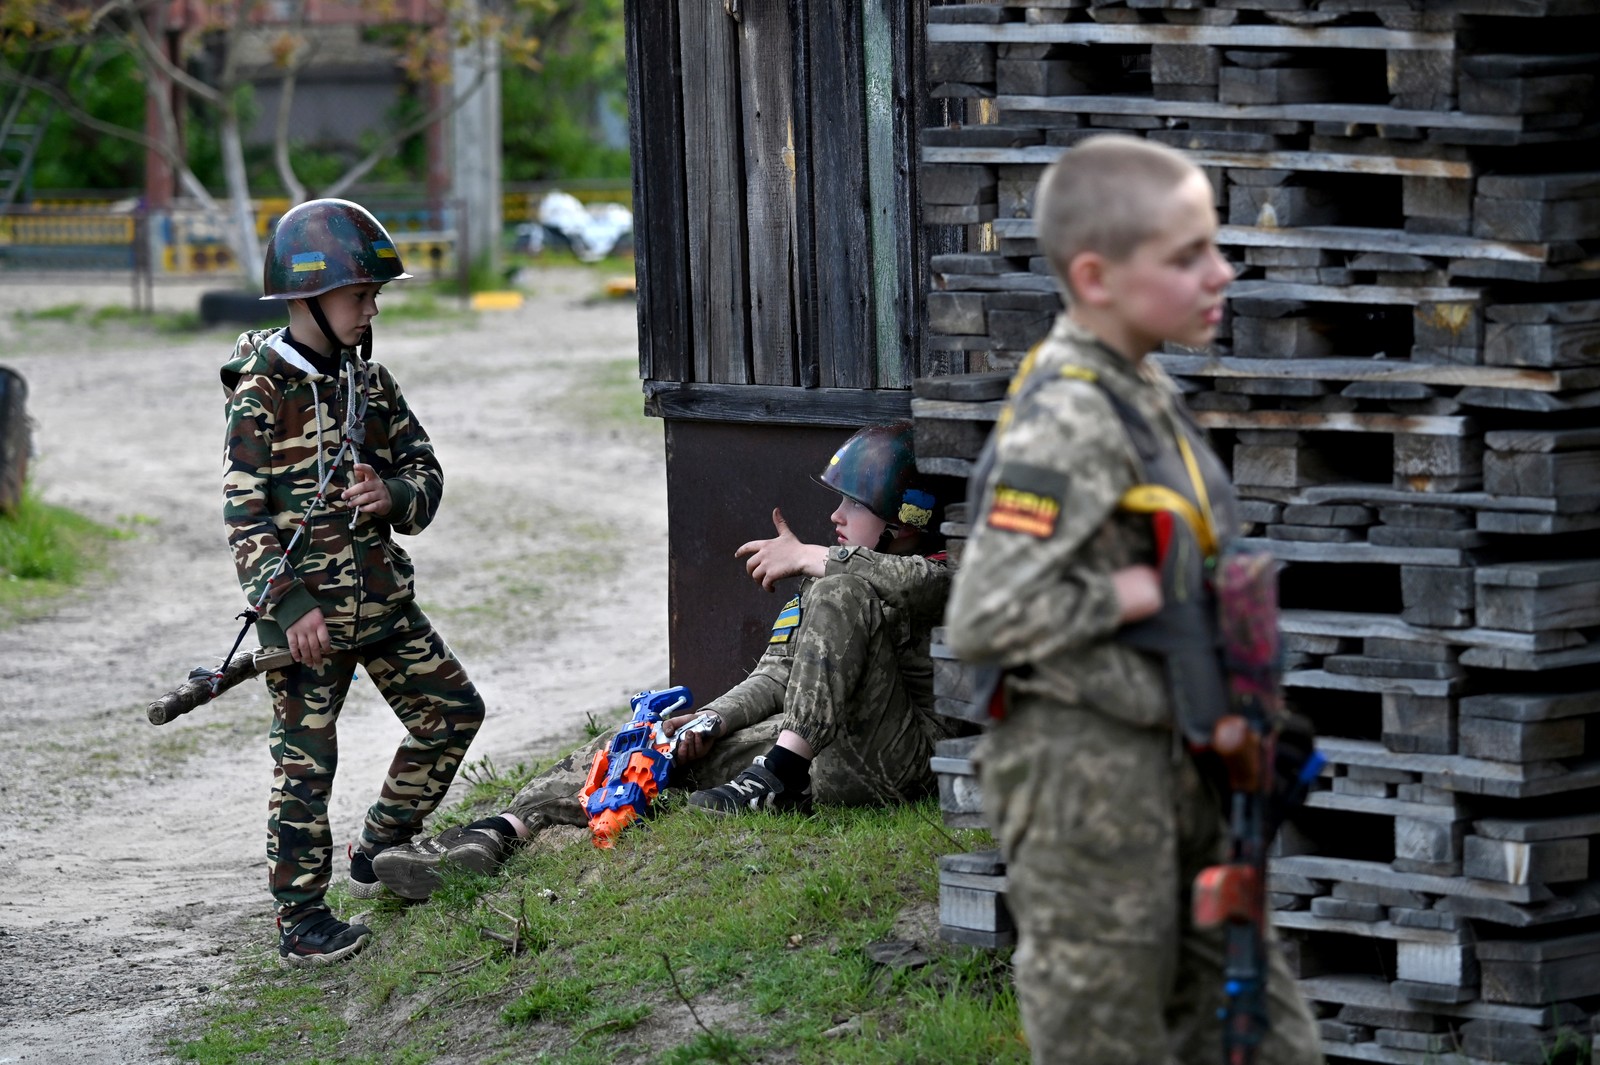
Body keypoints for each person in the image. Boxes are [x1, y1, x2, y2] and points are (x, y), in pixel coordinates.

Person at [943, 136, 1324, 1064]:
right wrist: (1117, 591)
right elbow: (983, 614)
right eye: (1187, 254)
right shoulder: (1070, 414)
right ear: (1097, 275)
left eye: (1214, 247)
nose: (1219, 271)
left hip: (1181, 766)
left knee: (1265, 1042)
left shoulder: (1139, 385)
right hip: (1089, 784)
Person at [370, 422, 962, 900]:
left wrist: (813, 558)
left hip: (892, 759)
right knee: (651, 740)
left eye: (853, 503)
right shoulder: (834, 574)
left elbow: (917, 582)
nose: (835, 516)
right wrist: (714, 720)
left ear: (905, 521)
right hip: (817, 758)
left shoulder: (937, 575)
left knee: (839, 588)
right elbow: (779, 673)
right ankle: (501, 831)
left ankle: (772, 781)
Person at [222, 198, 486, 966]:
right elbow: (243, 519)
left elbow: (426, 472)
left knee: (452, 711)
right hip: (304, 622)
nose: (371, 309)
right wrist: (288, 604)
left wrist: (393, 496)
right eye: (359, 295)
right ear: (307, 297)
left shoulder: (370, 383)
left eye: (374, 296)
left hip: (383, 602)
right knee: (307, 762)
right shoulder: (261, 390)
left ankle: (384, 846)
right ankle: (301, 919)